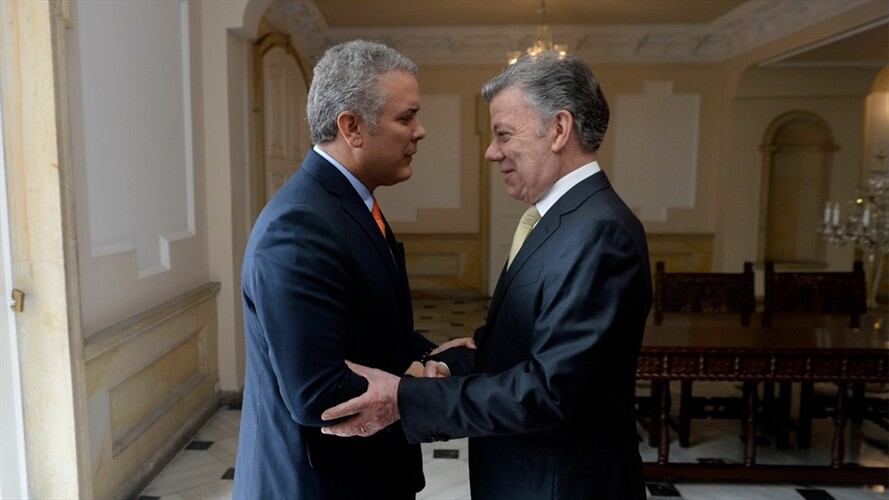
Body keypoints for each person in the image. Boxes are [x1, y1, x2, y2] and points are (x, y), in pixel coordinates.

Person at [321, 52, 652, 500]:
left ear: (558, 129)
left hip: (560, 485)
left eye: (503, 135)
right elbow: (536, 345)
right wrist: (462, 357)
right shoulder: (562, 219)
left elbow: (550, 390)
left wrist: (404, 399)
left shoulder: (600, 233)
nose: (491, 152)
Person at [233, 40, 440, 500]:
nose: (419, 131)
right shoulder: (300, 226)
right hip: (320, 484)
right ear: (352, 127)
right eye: (406, 118)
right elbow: (319, 392)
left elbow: (370, 328)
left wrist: (436, 355)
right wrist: (423, 387)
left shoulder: (348, 204)